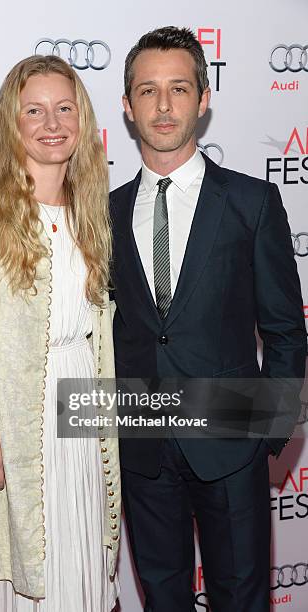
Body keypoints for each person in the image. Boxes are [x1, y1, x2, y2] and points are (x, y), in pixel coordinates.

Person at [110, 26, 306, 612]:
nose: (164, 106)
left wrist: (265, 436)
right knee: (162, 597)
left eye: (178, 89)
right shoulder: (106, 210)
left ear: (204, 98)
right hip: (142, 445)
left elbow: (286, 330)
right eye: (147, 91)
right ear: (127, 105)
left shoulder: (251, 202)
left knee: (241, 597)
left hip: (231, 443)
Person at [0, 55, 120, 612]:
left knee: (79, 537)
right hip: (13, 414)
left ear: (82, 120)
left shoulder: (93, 210)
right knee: (14, 555)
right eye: (34, 111)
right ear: (12, 124)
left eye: (64, 109)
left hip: (83, 401)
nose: (52, 123)